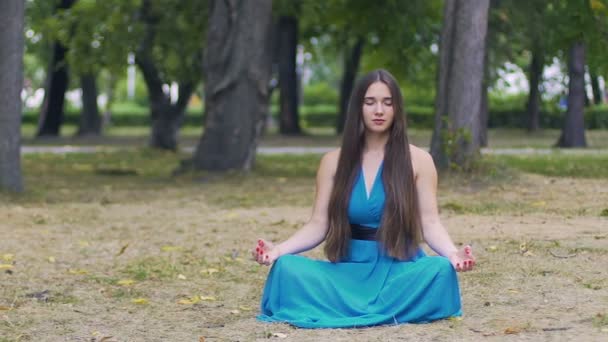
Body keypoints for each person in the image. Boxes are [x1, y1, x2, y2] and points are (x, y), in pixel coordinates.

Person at [251, 69, 475, 329]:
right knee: (286, 269)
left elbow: (431, 222)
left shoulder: (420, 160)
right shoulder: (332, 161)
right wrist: (277, 250)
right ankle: (375, 308)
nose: (378, 110)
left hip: (399, 269)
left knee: (440, 271)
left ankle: (369, 306)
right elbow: (318, 224)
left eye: (387, 102)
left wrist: (452, 254)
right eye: (370, 102)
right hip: (348, 272)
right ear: (358, 107)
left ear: (397, 109)